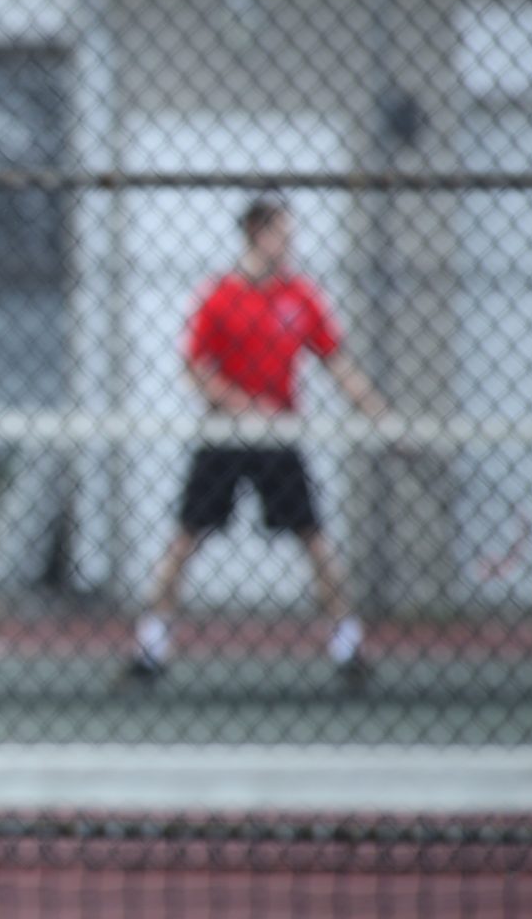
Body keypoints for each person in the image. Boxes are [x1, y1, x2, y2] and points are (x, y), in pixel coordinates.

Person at [127, 196, 388, 688]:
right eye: (281, 235)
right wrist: (246, 407)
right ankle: (150, 649)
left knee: (315, 539)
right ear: (256, 233)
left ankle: (348, 647)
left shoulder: (301, 296)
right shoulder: (219, 296)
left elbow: (338, 363)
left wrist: (381, 416)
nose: (289, 245)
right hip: (224, 436)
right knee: (184, 540)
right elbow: (196, 370)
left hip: (279, 440)